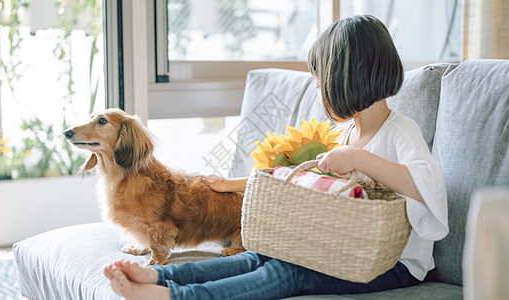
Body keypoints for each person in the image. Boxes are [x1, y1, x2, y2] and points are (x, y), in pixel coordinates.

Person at [103, 14, 448, 300]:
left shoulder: (400, 132)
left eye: (320, 81)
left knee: (287, 272)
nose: (318, 90)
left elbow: (428, 185)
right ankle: (163, 277)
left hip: (394, 266)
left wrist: (358, 159)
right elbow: (303, 177)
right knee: (260, 255)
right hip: (345, 251)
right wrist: (233, 184)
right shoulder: (348, 135)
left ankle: (176, 297)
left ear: (347, 78)